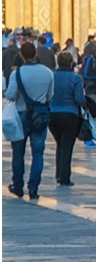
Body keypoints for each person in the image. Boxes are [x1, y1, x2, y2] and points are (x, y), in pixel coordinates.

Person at [5, 40, 54, 200]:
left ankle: (17, 186)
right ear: (36, 54)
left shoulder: (17, 73)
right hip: (39, 116)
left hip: (20, 116)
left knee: (18, 153)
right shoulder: (47, 72)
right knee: (38, 153)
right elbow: (50, 96)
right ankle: (33, 187)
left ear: (21, 55)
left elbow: (10, 95)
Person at [49, 51, 87, 186]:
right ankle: (64, 177)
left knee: (60, 143)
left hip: (53, 115)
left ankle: (59, 174)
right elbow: (79, 99)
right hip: (70, 115)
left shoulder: (51, 77)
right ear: (71, 63)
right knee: (67, 146)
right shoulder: (75, 78)